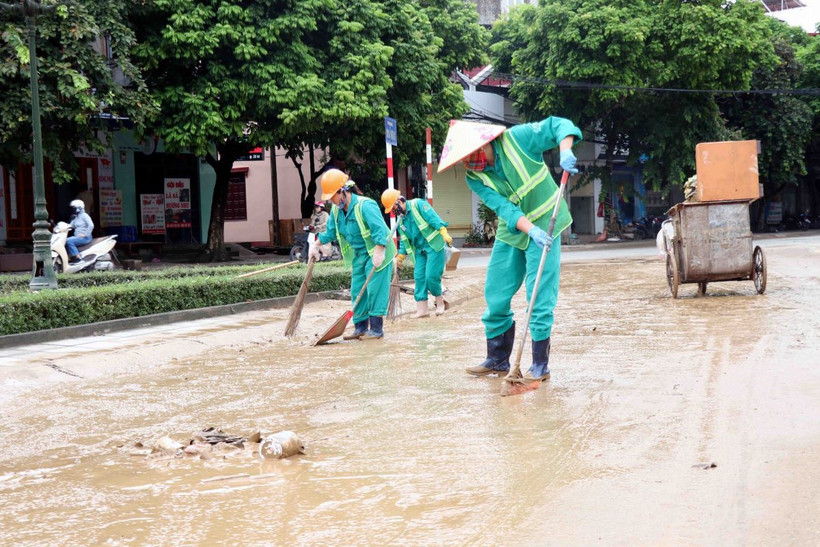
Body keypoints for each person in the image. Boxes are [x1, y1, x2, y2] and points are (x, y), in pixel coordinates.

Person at [437, 118, 582, 382]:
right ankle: (498, 359)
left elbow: (558, 125)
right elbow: (505, 209)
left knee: (538, 293)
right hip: (515, 227)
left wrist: (565, 150)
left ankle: (540, 365)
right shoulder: (474, 177)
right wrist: (530, 230)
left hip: (547, 221)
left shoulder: (518, 139)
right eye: (462, 160)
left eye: (469, 156)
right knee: (496, 290)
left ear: (484, 144)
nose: (467, 163)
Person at [309, 169, 396, 340]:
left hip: (377, 251)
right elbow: (331, 232)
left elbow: (379, 230)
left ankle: (376, 330)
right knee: (357, 289)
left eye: (333, 196)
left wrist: (380, 250)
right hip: (360, 255)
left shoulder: (365, 205)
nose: (332, 201)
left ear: (343, 191)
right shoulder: (336, 211)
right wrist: (317, 244)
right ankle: (360, 328)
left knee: (374, 289)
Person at [380, 189, 452, 318]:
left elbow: (433, 218)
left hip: (433, 246)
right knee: (419, 277)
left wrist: (443, 230)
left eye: (393, 208)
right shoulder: (401, 220)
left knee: (431, 276)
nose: (393, 211)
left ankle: (440, 303)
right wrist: (400, 256)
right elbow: (404, 240)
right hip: (420, 250)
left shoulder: (418, 204)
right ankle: (422, 310)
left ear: (399, 201)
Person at [66, 199, 94, 263]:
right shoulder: (76, 217)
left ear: (79, 208)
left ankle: (78, 258)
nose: (73, 209)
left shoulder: (84, 215)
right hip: (78, 237)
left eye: (74, 208)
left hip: (85, 238)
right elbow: (70, 226)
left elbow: (91, 225)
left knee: (69, 241)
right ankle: (69, 257)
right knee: (65, 240)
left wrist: (86, 234)